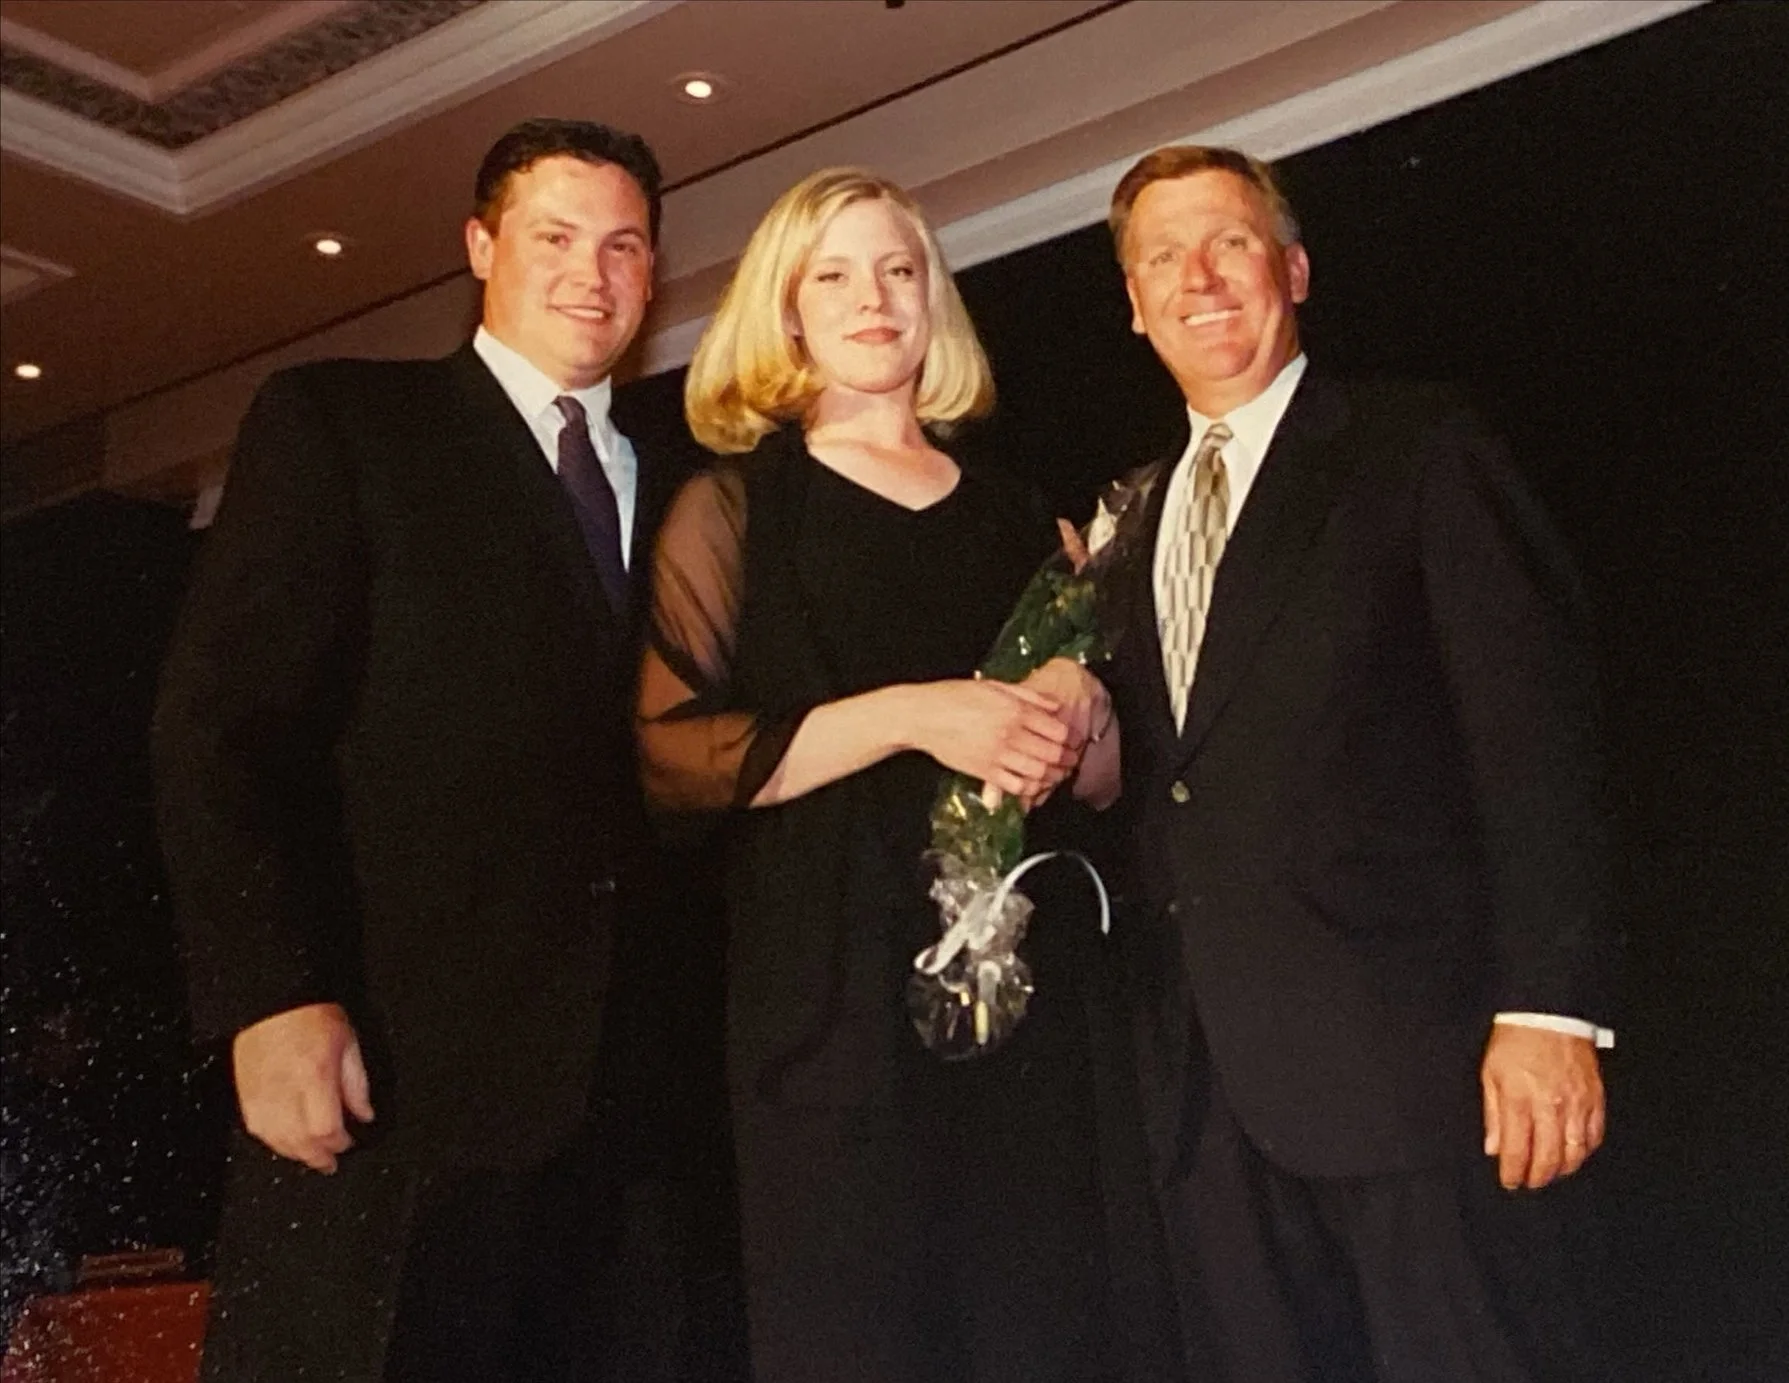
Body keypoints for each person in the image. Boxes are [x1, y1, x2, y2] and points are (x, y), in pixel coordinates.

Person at [152, 119, 691, 1382]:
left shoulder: (692, 480)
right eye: (554, 237)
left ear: (655, 273)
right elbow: (220, 725)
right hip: (391, 1077)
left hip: (632, 1113)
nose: (590, 273)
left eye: (623, 245)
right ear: (479, 246)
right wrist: (268, 997)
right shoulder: (346, 422)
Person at [1094, 145, 1618, 1382]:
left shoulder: (1416, 444)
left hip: (1413, 1070)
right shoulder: (1131, 512)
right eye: (1161, 256)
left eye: (1228, 242)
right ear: (1130, 302)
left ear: (1293, 266)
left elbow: (1537, 733)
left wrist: (1549, 1010)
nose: (1199, 278)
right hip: (1207, 1095)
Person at [636, 168, 1121, 1383]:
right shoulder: (736, 506)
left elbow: (1107, 784)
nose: (873, 299)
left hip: (1024, 1020)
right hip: (826, 1023)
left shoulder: (1020, 518)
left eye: (899, 270)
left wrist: (1088, 706)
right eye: (834, 274)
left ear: (933, 300)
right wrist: (914, 714)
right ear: (785, 311)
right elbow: (673, 759)